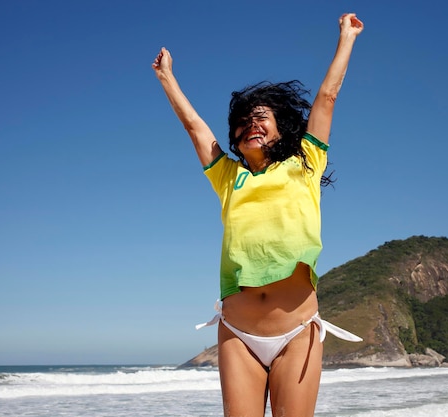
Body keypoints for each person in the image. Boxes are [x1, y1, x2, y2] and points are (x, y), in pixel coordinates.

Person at [152, 13, 364, 417]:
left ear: (280, 127)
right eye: (243, 123)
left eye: (261, 118)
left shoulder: (305, 162)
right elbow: (195, 129)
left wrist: (347, 37)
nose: (252, 125)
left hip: (297, 330)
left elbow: (327, 97)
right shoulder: (228, 178)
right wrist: (167, 77)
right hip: (237, 331)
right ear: (234, 136)